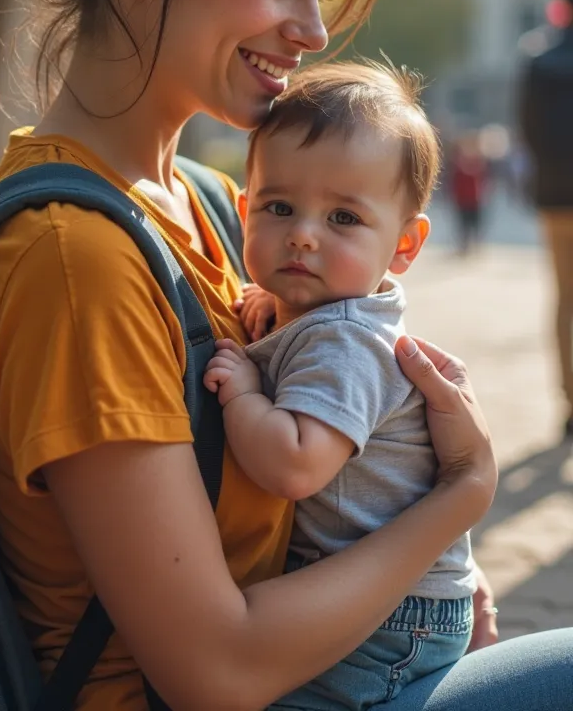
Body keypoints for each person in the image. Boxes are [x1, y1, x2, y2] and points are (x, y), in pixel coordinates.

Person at [0, 0, 573, 710]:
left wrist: (433, 579)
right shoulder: (73, 252)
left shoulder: (199, 201)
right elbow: (216, 669)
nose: (310, 29)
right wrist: (462, 495)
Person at [204, 62, 476, 711]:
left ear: (404, 245)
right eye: (279, 207)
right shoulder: (316, 313)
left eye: (344, 219)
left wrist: (244, 390)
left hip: (395, 617)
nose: (303, 233)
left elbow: (296, 465)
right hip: (385, 589)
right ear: (245, 213)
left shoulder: (347, 339)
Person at [519, 0, 573, 439]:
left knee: (564, 300)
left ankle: (570, 399)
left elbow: (529, 133)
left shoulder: (538, 59)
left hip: (556, 196)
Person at [447, 134, 488, 255]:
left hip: (475, 199)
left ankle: (475, 245)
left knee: (475, 224)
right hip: (463, 199)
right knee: (463, 225)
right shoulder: (458, 163)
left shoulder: (478, 161)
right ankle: (464, 245)